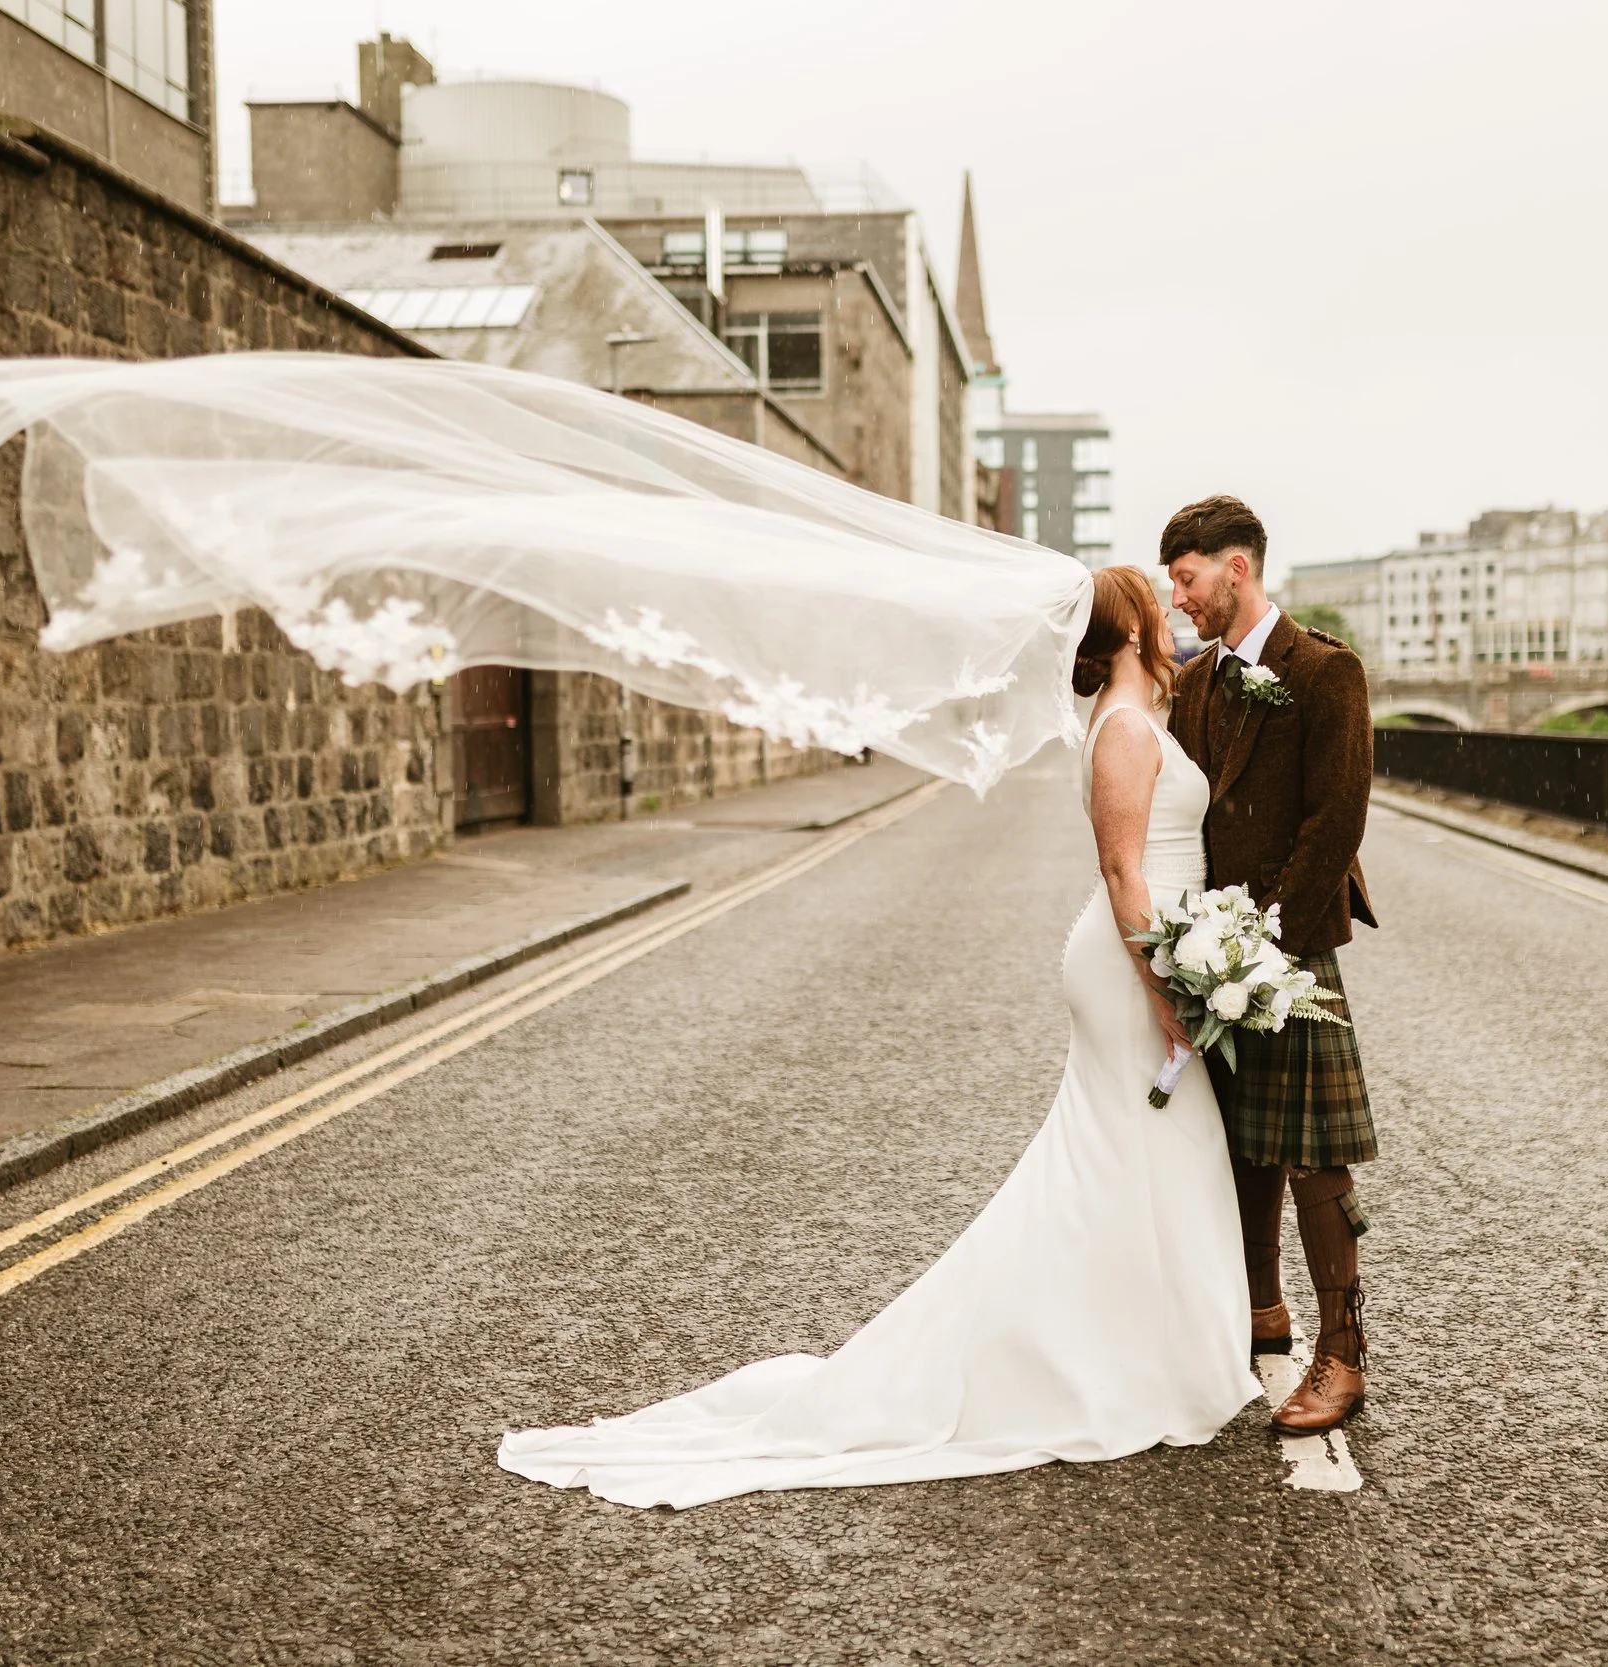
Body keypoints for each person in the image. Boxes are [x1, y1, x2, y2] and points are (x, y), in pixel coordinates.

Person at [496, 565, 1262, 1508]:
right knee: (1132, 1154)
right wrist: (1162, 993)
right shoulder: (1127, 730)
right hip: (1128, 968)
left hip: (1148, 959)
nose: (1171, 605)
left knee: (1138, 1158)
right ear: (1136, 629)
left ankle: (1144, 1351)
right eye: (1158, 599)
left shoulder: (1140, 715)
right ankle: (1102, 1362)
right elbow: (1120, 871)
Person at [1162, 495, 1380, 1436]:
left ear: (1236, 567)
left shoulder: (1326, 671)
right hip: (1220, 952)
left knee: (1314, 1156)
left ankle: (1343, 1354)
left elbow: (1337, 817)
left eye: (1188, 578)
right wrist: (1202, 945)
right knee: (1240, 1142)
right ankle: (1260, 1315)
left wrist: (1268, 942)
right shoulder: (1197, 683)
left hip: (1287, 949)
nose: (1181, 599)